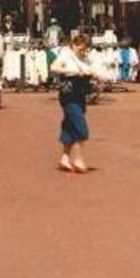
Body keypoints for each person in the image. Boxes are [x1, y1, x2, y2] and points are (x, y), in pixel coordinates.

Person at [50, 32, 96, 173]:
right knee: (79, 125)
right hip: (68, 95)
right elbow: (53, 67)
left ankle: (65, 157)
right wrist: (71, 70)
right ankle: (78, 158)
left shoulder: (85, 58)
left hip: (80, 93)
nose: (84, 52)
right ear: (74, 45)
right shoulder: (66, 55)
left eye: (86, 49)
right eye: (81, 49)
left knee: (69, 125)